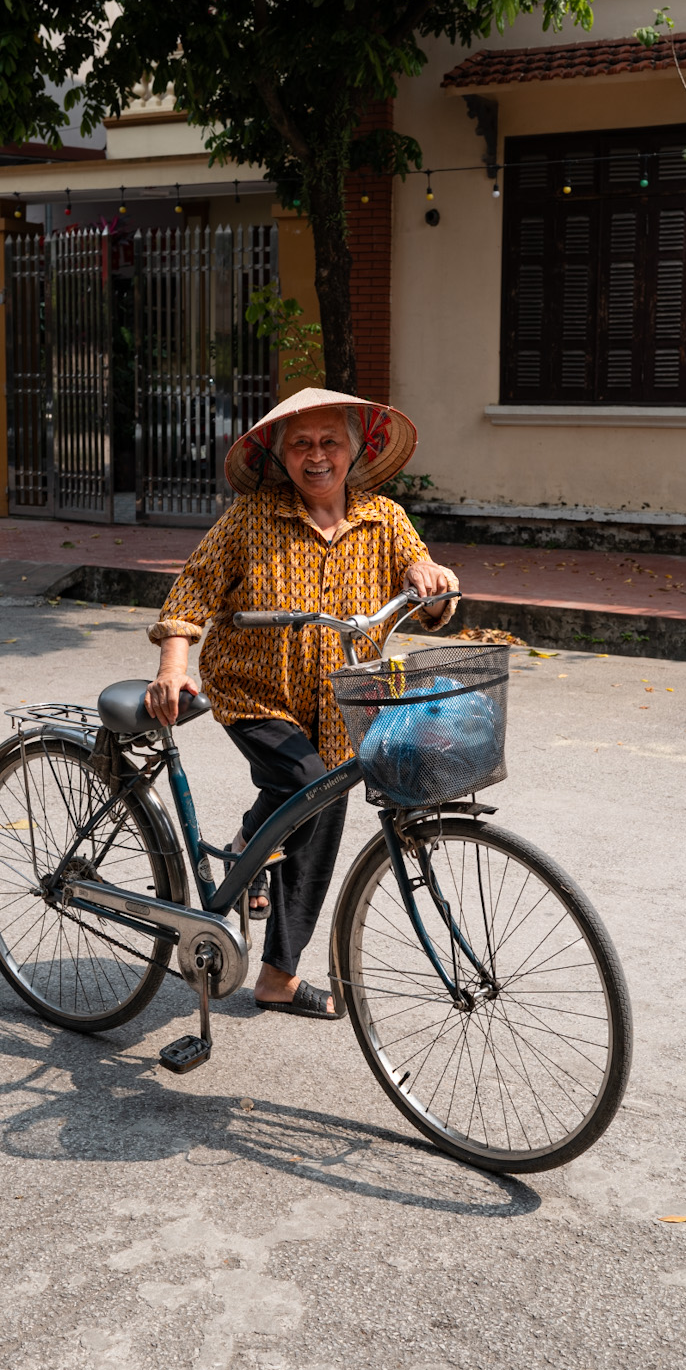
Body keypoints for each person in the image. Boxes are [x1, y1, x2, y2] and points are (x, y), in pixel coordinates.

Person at [144, 386, 460, 1019]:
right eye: (301, 444)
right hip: (255, 690)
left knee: (318, 799)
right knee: (306, 783)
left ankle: (275, 970)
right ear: (280, 454)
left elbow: (432, 602)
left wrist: (436, 584)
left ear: (354, 448)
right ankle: (257, 872)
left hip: (344, 701)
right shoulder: (249, 519)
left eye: (329, 442)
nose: (317, 457)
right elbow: (191, 596)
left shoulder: (385, 519)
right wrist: (173, 669)